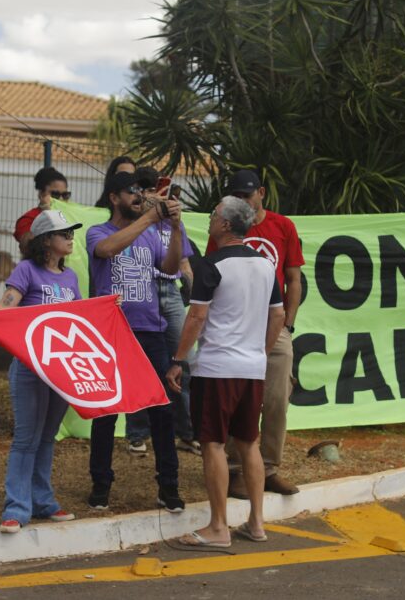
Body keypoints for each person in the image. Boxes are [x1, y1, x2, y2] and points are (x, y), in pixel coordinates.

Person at [167, 196, 284, 546]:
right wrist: (260, 352)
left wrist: (178, 359)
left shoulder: (211, 264)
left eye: (214, 214)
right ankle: (256, 523)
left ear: (226, 225)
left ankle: (218, 527)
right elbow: (278, 315)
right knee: (249, 443)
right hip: (252, 368)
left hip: (217, 368)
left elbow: (197, 316)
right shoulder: (265, 264)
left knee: (213, 444)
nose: (210, 218)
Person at [0, 210, 82, 533]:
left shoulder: (71, 278)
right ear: (46, 240)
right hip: (30, 367)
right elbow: (5, 307)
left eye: (72, 233)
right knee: (26, 439)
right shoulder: (26, 270)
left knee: (46, 437)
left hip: (60, 369)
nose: (70, 238)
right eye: (64, 233)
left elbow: (80, 317)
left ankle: (43, 502)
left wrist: (109, 308)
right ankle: (16, 509)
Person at [85, 170, 185, 512]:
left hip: (151, 331)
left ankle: (168, 486)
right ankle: (100, 485)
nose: (139, 196)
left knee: (162, 410)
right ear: (114, 198)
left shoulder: (151, 233)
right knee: (107, 411)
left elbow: (170, 268)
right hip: (112, 331)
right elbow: (106, 249)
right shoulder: (98, 231)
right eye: (132, 191)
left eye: (142, 191)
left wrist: (175, 227)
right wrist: (150, 218)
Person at [206, 169, 302, 497]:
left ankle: (269, 468)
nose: (242, 202)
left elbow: (294, 279)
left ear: (261, 192)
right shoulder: (225, 227)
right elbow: (212, 274)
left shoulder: (283, 226)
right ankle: (235, 470)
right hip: (235, 327)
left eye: (247, 195)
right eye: (235, 196)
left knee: (276, 398)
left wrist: (287, 324)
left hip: (274, 325)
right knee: (235, 399)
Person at [124, 166, 196, 456]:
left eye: (159, 188)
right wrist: (150, 211)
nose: (155, 194)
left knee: (183, 361)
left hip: (171, 292)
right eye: (147, 189)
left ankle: (186, 432)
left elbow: (184, 262)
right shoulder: (137, 220)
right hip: (146, 290)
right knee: (140, 364)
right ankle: (137, 433)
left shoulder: (173, 221)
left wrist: (190, 284)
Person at [14, 167, 70, 255]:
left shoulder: (72, 217)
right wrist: (49, 215)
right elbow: (27, 246)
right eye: (55, 194)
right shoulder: (28, 219)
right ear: (41, 194)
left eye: (65, 195)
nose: (61, 199)